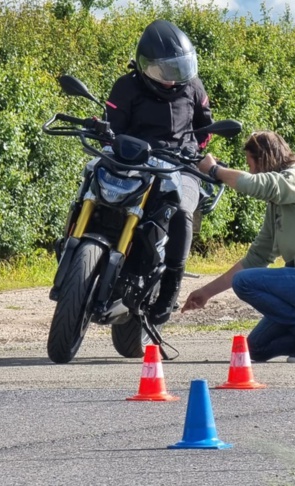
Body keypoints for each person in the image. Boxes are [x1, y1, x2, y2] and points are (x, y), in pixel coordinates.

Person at [182, 131, 295, 363]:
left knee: (244, 281)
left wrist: (213, 170)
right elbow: (256, 257)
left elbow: (259, 185)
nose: (250, 171)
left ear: (265, 159)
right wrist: (205, 292)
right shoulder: (277, 205)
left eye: (251, 164)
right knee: (253, 350)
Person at [106, 19, 214, 325]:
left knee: (181, 212)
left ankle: (169, 292)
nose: (171, 80)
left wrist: (190, 152)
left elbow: (204, 129)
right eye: (162, 71)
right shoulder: (127, 86)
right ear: (144, 66)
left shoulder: (192, 86)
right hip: (134, 161)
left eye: (178, 69)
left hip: (181, 165)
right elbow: (112, 126)